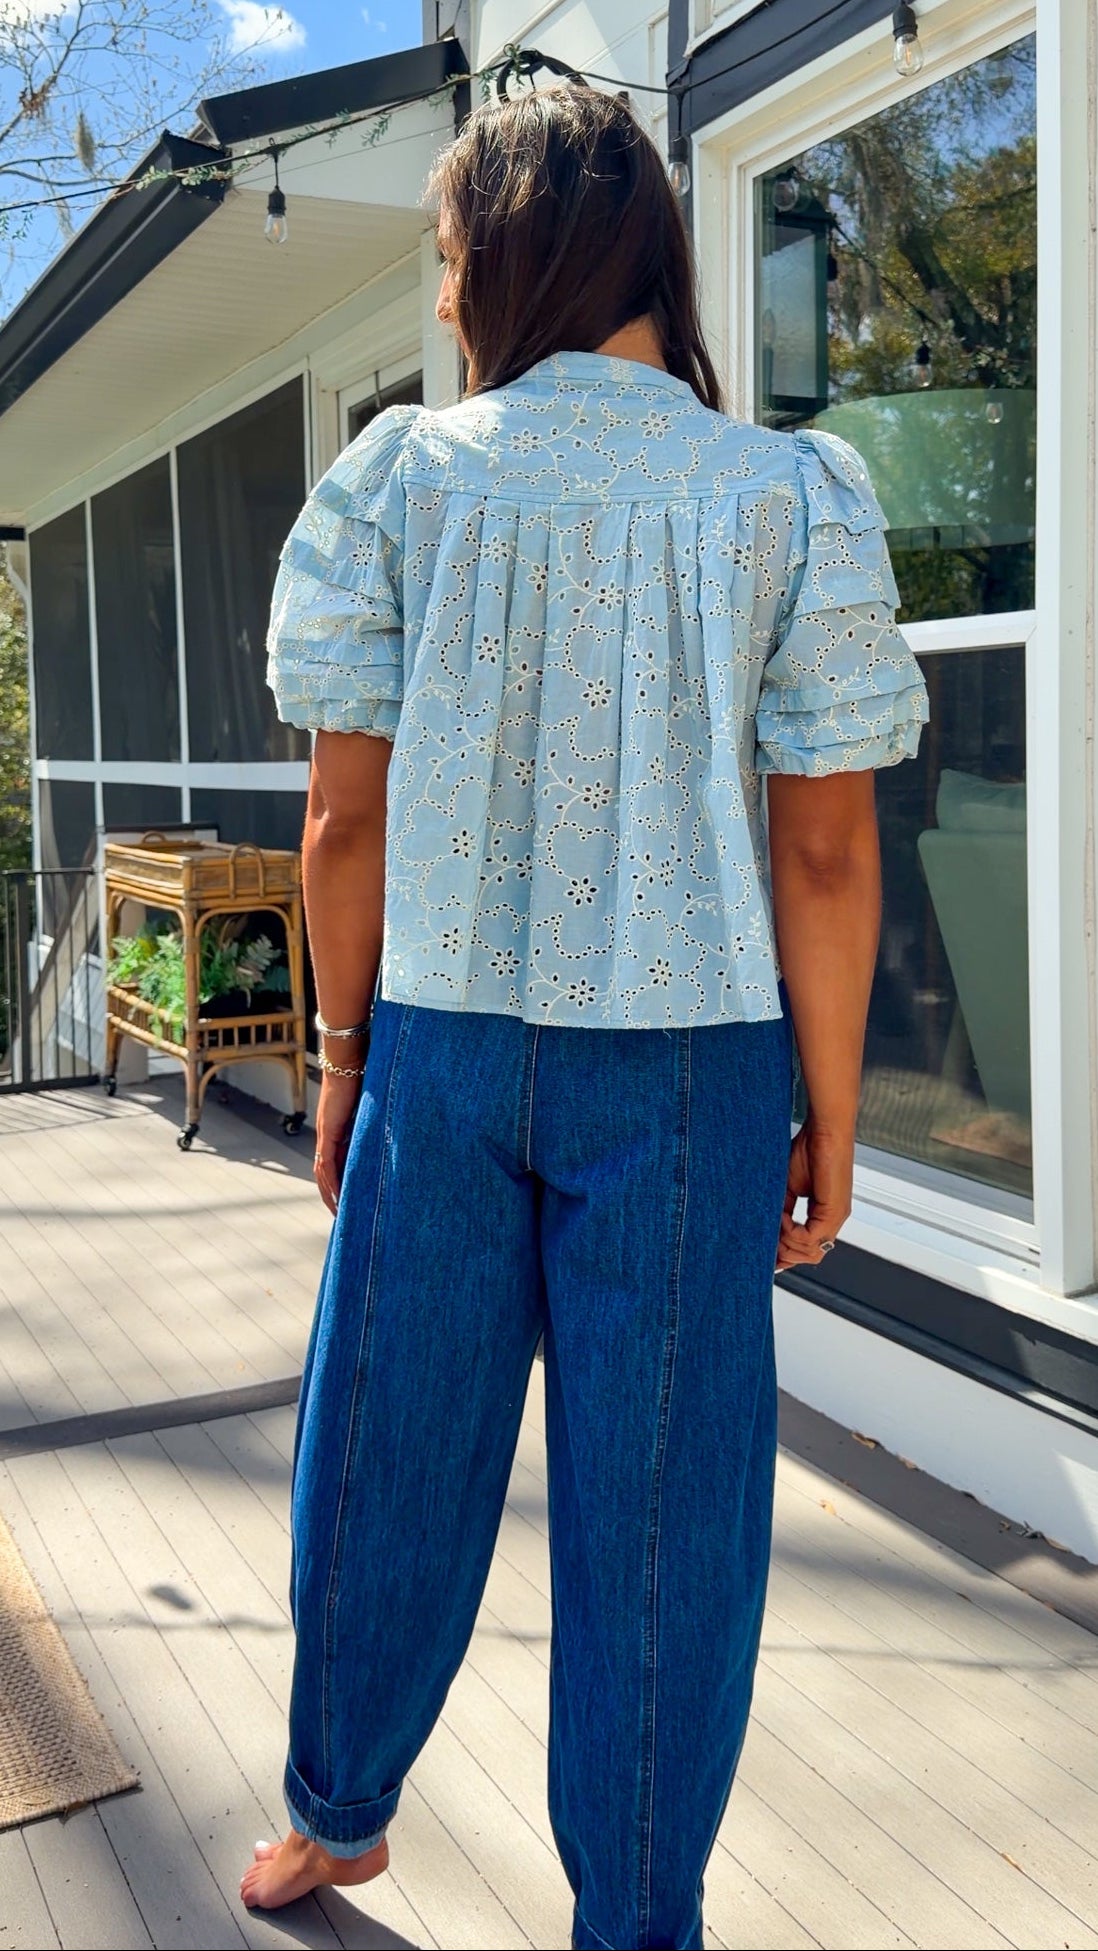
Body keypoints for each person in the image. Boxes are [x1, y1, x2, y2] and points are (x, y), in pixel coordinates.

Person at [241, 84, 927, 1950]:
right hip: (702, 1080)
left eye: (453, 257)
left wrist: (345, 1060)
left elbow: (341, 817)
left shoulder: (402, 479)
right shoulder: (782, 494)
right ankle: (636, 1920)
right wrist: (836, 1112)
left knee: (384, 1445)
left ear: (513, 262)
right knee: (658, 1520)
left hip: (443, 1056)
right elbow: (827, 851)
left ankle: (336, 1811)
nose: (448, 294)